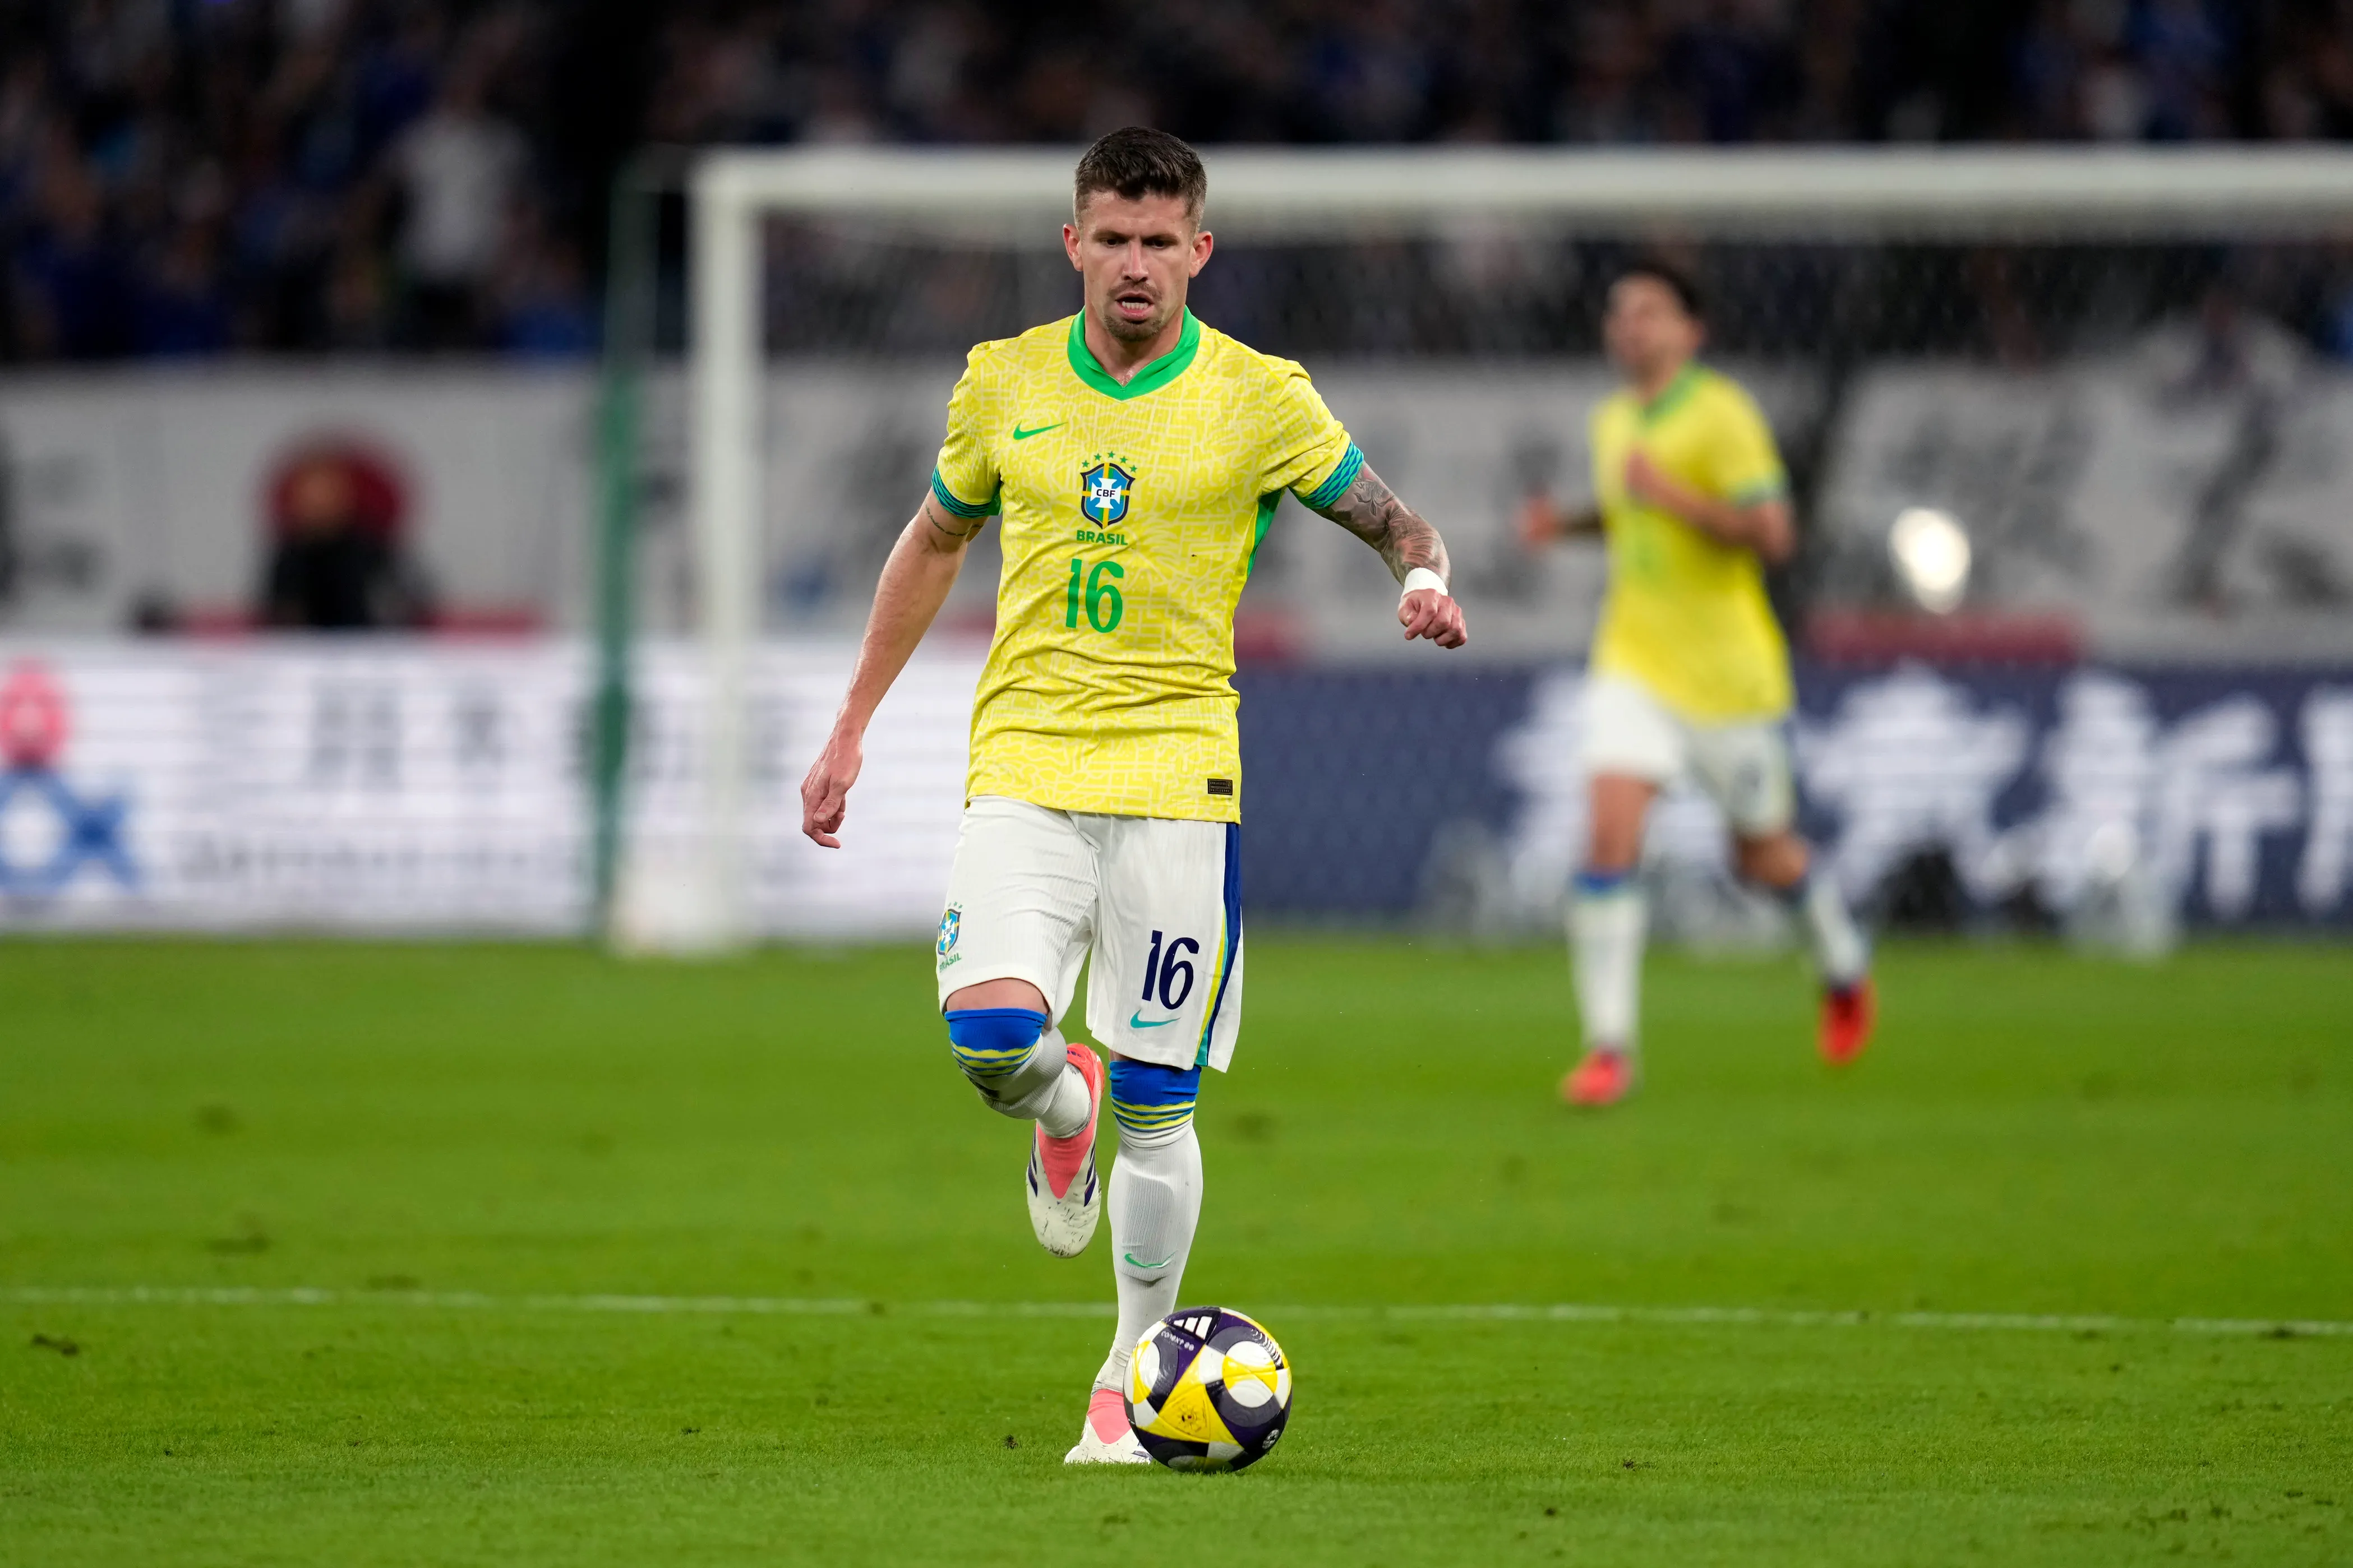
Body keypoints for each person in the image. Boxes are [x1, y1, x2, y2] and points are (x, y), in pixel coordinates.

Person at [799, 127, 1467, 1463]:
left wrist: (1419, 579)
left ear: (1198, 253)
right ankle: (1062, 1113)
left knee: (1164, 1097)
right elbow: (933, 542)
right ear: (1074, 246)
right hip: (1028, 762)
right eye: (1113, 239)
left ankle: (1125, 1379)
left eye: (1162, 243)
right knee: (994, 1043)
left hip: (1178, 777)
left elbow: (1397, 519)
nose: (1137, 267)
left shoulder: (1258, 397)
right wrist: (851, 726)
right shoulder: (1002, 383)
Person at [1520, 261, 1874, 1108]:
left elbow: (1775, 532)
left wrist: (1675, 495)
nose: (1630, 327)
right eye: (1619, 312)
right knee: (1608, 838)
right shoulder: (1613, 420)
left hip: (1727, 682)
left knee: (1761, 856)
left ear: (1691, 330)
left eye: (1649, 312)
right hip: (1632, 663)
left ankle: (1843, 965)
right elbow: (1624, 510)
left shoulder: (1722, 416)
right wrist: (1563, 525)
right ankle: (1610, 1050)